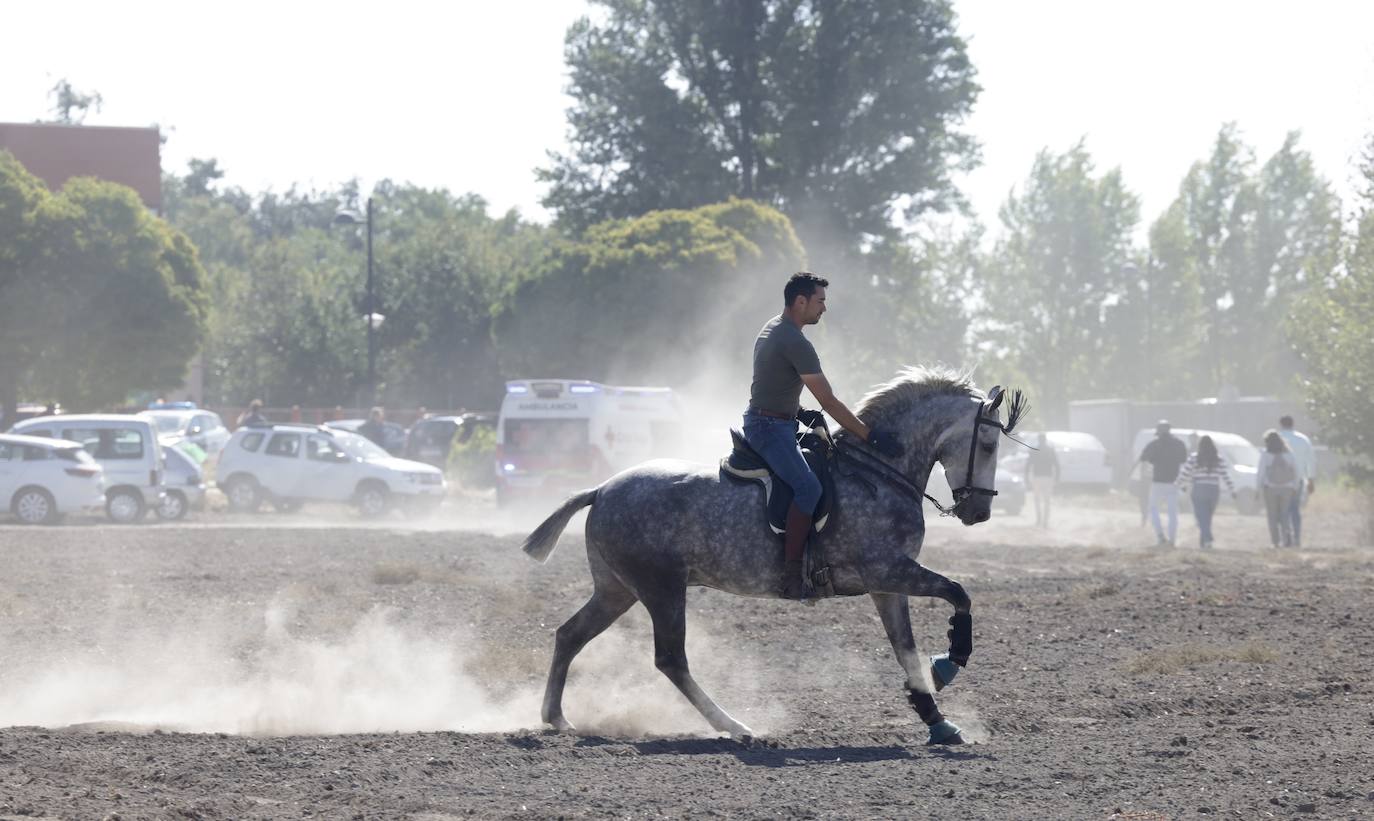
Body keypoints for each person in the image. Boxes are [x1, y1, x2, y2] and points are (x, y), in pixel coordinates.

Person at [745, 272, 903, 599]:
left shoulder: (773, 327)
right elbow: (829, 401)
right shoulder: (794, 341)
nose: (824, 309)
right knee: (808, 487)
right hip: (770, 429)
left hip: (777, 421)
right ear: (800, 301)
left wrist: (797, 411)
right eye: (820, 301)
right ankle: (791, 574)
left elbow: (773, 383)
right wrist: (869, 435)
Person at [1175, 435, 1237, 549]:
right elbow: (1226, 476)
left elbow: (1185, 473)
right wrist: (1232, 489)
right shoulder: (1219, 459)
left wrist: (1178, 484)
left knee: (1201, 517)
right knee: (1207, 517)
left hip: (1199, 489)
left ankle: (1207, 539)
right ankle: (1204, 543)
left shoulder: (1194, 458)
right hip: (1213, 490)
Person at [1137, 420, 1188, 547]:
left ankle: (1160, 537)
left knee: (1153, 509)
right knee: (1173, 513)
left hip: (1158, 483)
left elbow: (1143, 458)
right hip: (1174, 483)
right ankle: (1172, 540)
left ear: (1158, 432)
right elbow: (1184, 460)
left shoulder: (1154, 444)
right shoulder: (1179, 444)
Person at [1277, 415, 1315, 548]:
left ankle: (1286, 538)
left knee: (1282, 510)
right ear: (1293, 424)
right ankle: (1297, 538)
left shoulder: (1277, 439)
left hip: (1279, 481)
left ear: (1281, 424)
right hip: (1297, 480)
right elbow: (1310, 461)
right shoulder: (1303, 439)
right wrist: (1310, 479)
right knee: (1294, 509)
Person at [1259, 429, 1300, 548]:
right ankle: (1287, 540)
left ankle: (1275, 542)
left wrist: (1258, 488)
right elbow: (1295, 471)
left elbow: (1261, 472)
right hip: (1287, 488)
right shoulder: (1289, 454)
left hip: (1270, 488)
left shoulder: (1266, 454)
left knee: (1272, 516)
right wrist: (1295, 486)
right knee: (1284, 515)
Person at [1024, 433, 1060, 527]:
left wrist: (1026, 478)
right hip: (1048, 477)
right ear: (1045, 440)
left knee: (1037, 499)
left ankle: (1039, 519)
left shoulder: (1034, 450)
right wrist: (1057, 478)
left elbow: (1028, 465)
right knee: (1047, 499)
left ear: (1039, 440)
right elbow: (1056, 464)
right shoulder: (1050, 450)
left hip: (1037, 477)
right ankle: (1045, 521)